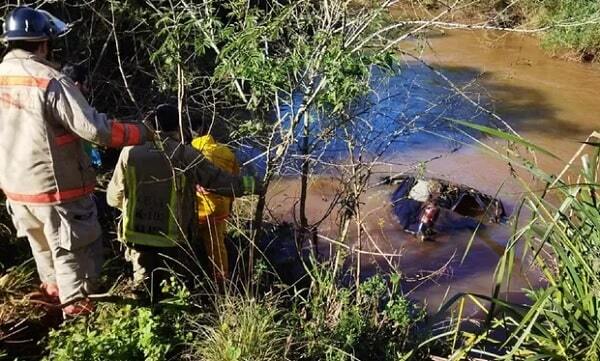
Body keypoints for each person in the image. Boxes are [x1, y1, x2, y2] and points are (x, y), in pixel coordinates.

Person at [0, 7, 151, 316]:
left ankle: (53, 313)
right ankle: (82, 331)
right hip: (58, 194)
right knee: (75, 264)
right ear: (43, 43)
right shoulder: (50, 81)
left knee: (46, 258)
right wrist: (143, 132)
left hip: (18, 193)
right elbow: (96, 130)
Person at [106, 104, 259, 302]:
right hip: (171, 237)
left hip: (137, 233)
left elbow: (114, 195)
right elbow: (218, 181)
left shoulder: (130, 152)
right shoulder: (184, 154)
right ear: (178, 128)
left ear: (152, 126)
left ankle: (148, 315)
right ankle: (173, 317)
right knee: (173, 285)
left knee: (143, 286)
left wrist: (127, 209)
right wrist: (254, 185)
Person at [191, 122, 240, 285]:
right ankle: (221, 279)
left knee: (190, 241)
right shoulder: (227, 152)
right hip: (220, 208)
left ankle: (191, 274)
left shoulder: (190, 150)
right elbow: (234, 184)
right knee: (217, 245)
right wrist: (230, 207)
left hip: (198, 208)